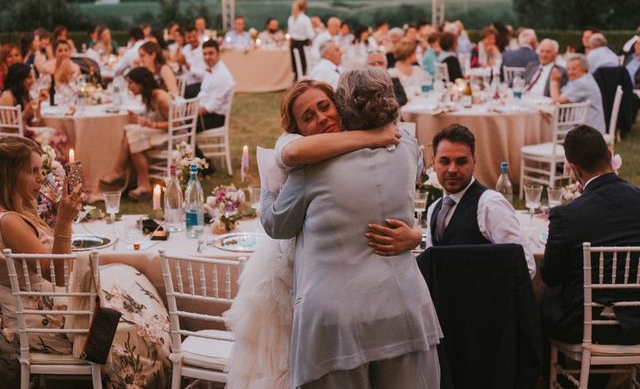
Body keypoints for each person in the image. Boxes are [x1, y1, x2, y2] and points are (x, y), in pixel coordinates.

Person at [224, 79, 422, 388]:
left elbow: (396, 203)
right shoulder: (305, 157)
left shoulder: (369, 152)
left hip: (347, 299)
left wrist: (415, 234)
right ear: (297, 128)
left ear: (339, 105)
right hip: (302, 284)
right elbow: (277, 221)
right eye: (308, 117)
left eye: (324, 107)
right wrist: (268, 184)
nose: (321, 119)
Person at [0, 136, 170, 388]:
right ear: (10, 176)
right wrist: (64, 221)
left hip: (48, 304)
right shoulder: (9, 221)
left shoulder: (18, 213)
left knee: (127, 282)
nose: (40, 178)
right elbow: (58, 276)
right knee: (130, 318)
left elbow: (58, 268)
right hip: (39, 318)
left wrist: (61, 216)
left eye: (40, 170)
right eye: (32, 171)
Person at [541, 125, 640, 349]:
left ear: (573, 168)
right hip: (637, 321)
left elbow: (551, 277)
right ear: (609, 156)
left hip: (587, 326)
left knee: (536, 308)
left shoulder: (567, 215)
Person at [426, 124, 536, 277]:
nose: (452, 169)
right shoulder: (433, 210)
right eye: (444, 161)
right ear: (433, 162)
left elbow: (525, 266)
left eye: (461, 162)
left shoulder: (490, 205)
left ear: (474, 162)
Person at [100, 67, 172, 200]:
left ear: (141, 83)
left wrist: (152, 124)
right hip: (159, 132)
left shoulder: (161, 97)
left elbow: (175, 124)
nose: (129, 87)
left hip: (172, 136)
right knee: (131, 132)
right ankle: (141, 184)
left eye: (131, 83)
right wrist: (140, 118)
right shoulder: (148, 96)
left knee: (132, 135)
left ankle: (120, 172)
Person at [550, 54, 606, 133]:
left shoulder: (581, 83)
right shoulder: (582, 78)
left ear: (584, 69)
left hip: (588, 131)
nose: (570, 72)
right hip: (583, 125)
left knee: (549, 130)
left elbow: (557, 101)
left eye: (574, 69)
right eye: (568, 69)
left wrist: (554, 81)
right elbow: (562, 95)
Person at [196, 39, 234, 131]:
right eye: (205, 54)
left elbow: (212, 106)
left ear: (218, 53)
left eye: (210, 53)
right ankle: (190, 145)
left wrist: (192, 113)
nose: (207, 57)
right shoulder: (211, 69)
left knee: (183, 125)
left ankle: (186, 145)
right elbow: (204, 94)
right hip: (206, 111)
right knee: (178, 121)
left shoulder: (222, 75)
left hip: (216, 117)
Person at [287, 0, 315, 78]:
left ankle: (297, 80)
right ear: (304, 7)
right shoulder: (305, 19)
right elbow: (310, 35)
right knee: (304, 66)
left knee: (296, 66)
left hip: (293, 44)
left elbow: (290, 33)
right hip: (303, 45)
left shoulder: (291, 18)